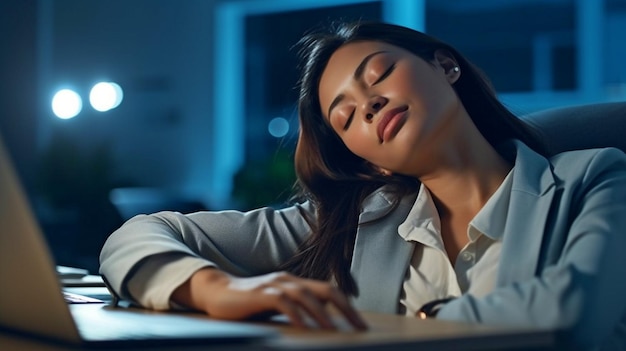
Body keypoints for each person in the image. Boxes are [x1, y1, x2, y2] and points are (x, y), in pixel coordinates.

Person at [100, 21, 626, 349]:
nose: (368, 107)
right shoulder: (356, 222)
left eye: (379, 75)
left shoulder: (597, 176)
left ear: (445, 66)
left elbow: (574, 316)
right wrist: (221, 290)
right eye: (345, 116)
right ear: (365, 158)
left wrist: (396, 324)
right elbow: (139, 234)